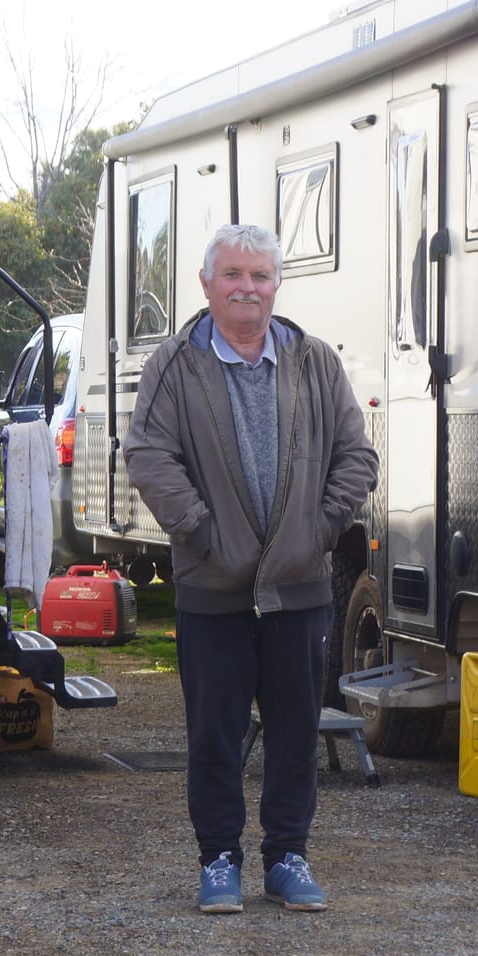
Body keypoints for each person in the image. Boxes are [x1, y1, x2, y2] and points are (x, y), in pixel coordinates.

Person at [123, 224, 378, 915]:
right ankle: (218, 860)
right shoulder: (174, 364)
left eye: (260, 275)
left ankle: (288, 857)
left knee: (295, 731)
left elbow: (358, 454)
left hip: (298, 587)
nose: (247, 288)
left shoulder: (314, 361)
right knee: (215, 734)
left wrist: (319, 529)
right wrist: (200, 532)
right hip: (212, 585)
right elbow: (146, 453)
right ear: (206, 284)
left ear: (277, 284)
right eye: (233, 274)